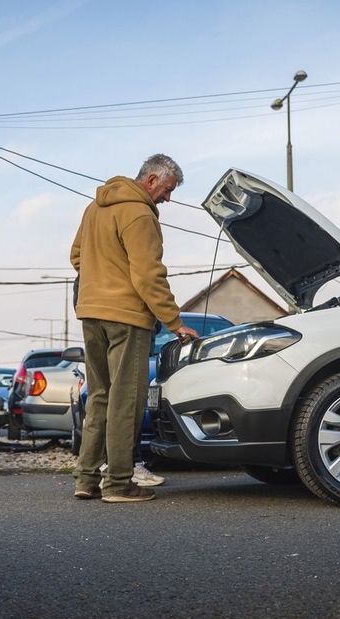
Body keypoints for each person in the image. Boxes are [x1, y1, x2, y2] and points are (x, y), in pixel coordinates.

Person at [70, 154, 197, 503]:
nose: (168, 199)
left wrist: (101, 279)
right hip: (127, 317)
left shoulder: (94, 208)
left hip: (91, 313)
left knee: (99, 397)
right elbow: (148, 275)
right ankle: (118, 484)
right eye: (168, 190)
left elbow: (77, 256)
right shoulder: (139, 214)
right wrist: (175, 322)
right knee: (127, 400)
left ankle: (86, 479)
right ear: (152, 180)